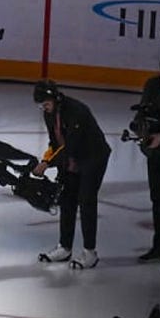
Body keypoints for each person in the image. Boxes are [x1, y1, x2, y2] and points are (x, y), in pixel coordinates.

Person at [32, 80, 111, 270]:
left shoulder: (77, 111)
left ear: (56, 98)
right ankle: (64, 247)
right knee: (67, 200)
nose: (44, 108)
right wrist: (46, 159)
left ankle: (90, 252)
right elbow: (55, 143)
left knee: (86, 201)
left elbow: (70, 145)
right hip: (71, 159)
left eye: (46, 104)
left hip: (92, 157)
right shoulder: (48, 114)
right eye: (41, 105)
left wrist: (47, 163)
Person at [138, 57, 160, 262]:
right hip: (157, 155)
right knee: (158, 200)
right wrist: (143, 133)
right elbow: (143, 113)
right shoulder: (152, 85)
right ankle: (159, 246)